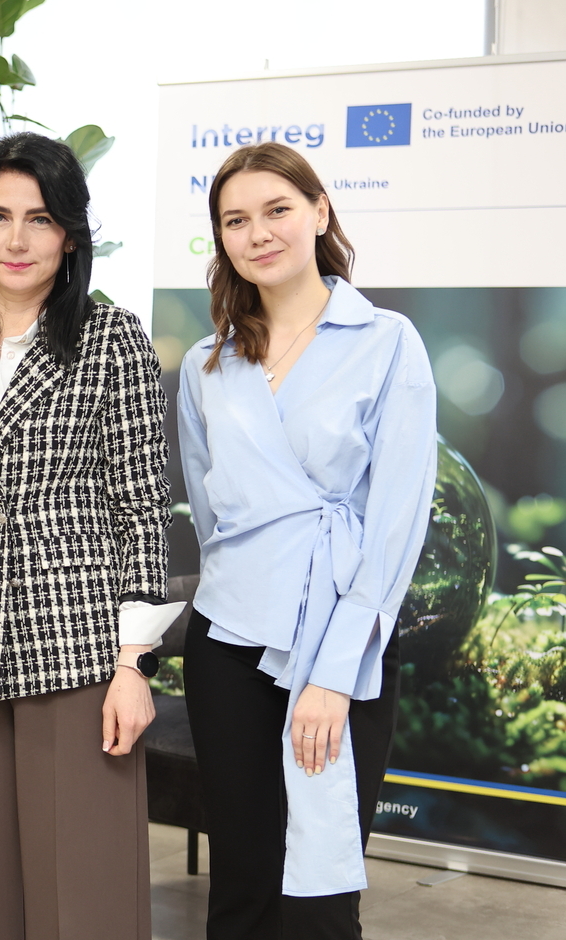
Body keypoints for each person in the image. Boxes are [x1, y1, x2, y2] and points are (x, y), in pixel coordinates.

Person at [0, 132, 175, 940]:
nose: (17, 239)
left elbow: (140, 504)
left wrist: (133, 664)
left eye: (40, 218)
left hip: (80, 649)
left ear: (72, 236)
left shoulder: (111, 339)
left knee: (84, 893)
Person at [177, 141, 437, 939]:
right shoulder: (206, 363)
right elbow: (211, 513)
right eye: (235, 220)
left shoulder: (387, 340)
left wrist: (333, 672)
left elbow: (397, 520)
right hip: (228, 637)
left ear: (320, 212)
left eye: (277, 210)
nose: (258, 233)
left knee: (319, 900)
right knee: (242, 882)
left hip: (341, 637)